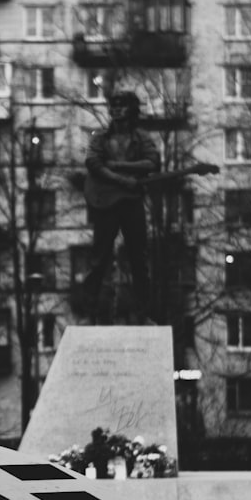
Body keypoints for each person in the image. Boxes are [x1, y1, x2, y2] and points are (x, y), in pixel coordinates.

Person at [83, 90, 160, 324]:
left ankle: (144, 313)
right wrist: (123, 179)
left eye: (122, 105)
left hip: (132, 204)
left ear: (132, 109)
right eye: (113, 104)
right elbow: (93, 163)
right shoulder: (100, 138)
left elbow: (152, 162)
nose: (116, 109)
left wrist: (117, 165)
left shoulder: (142, 137)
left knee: (139, 259)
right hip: (106, 204)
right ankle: (91, 312)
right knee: (99, 260)